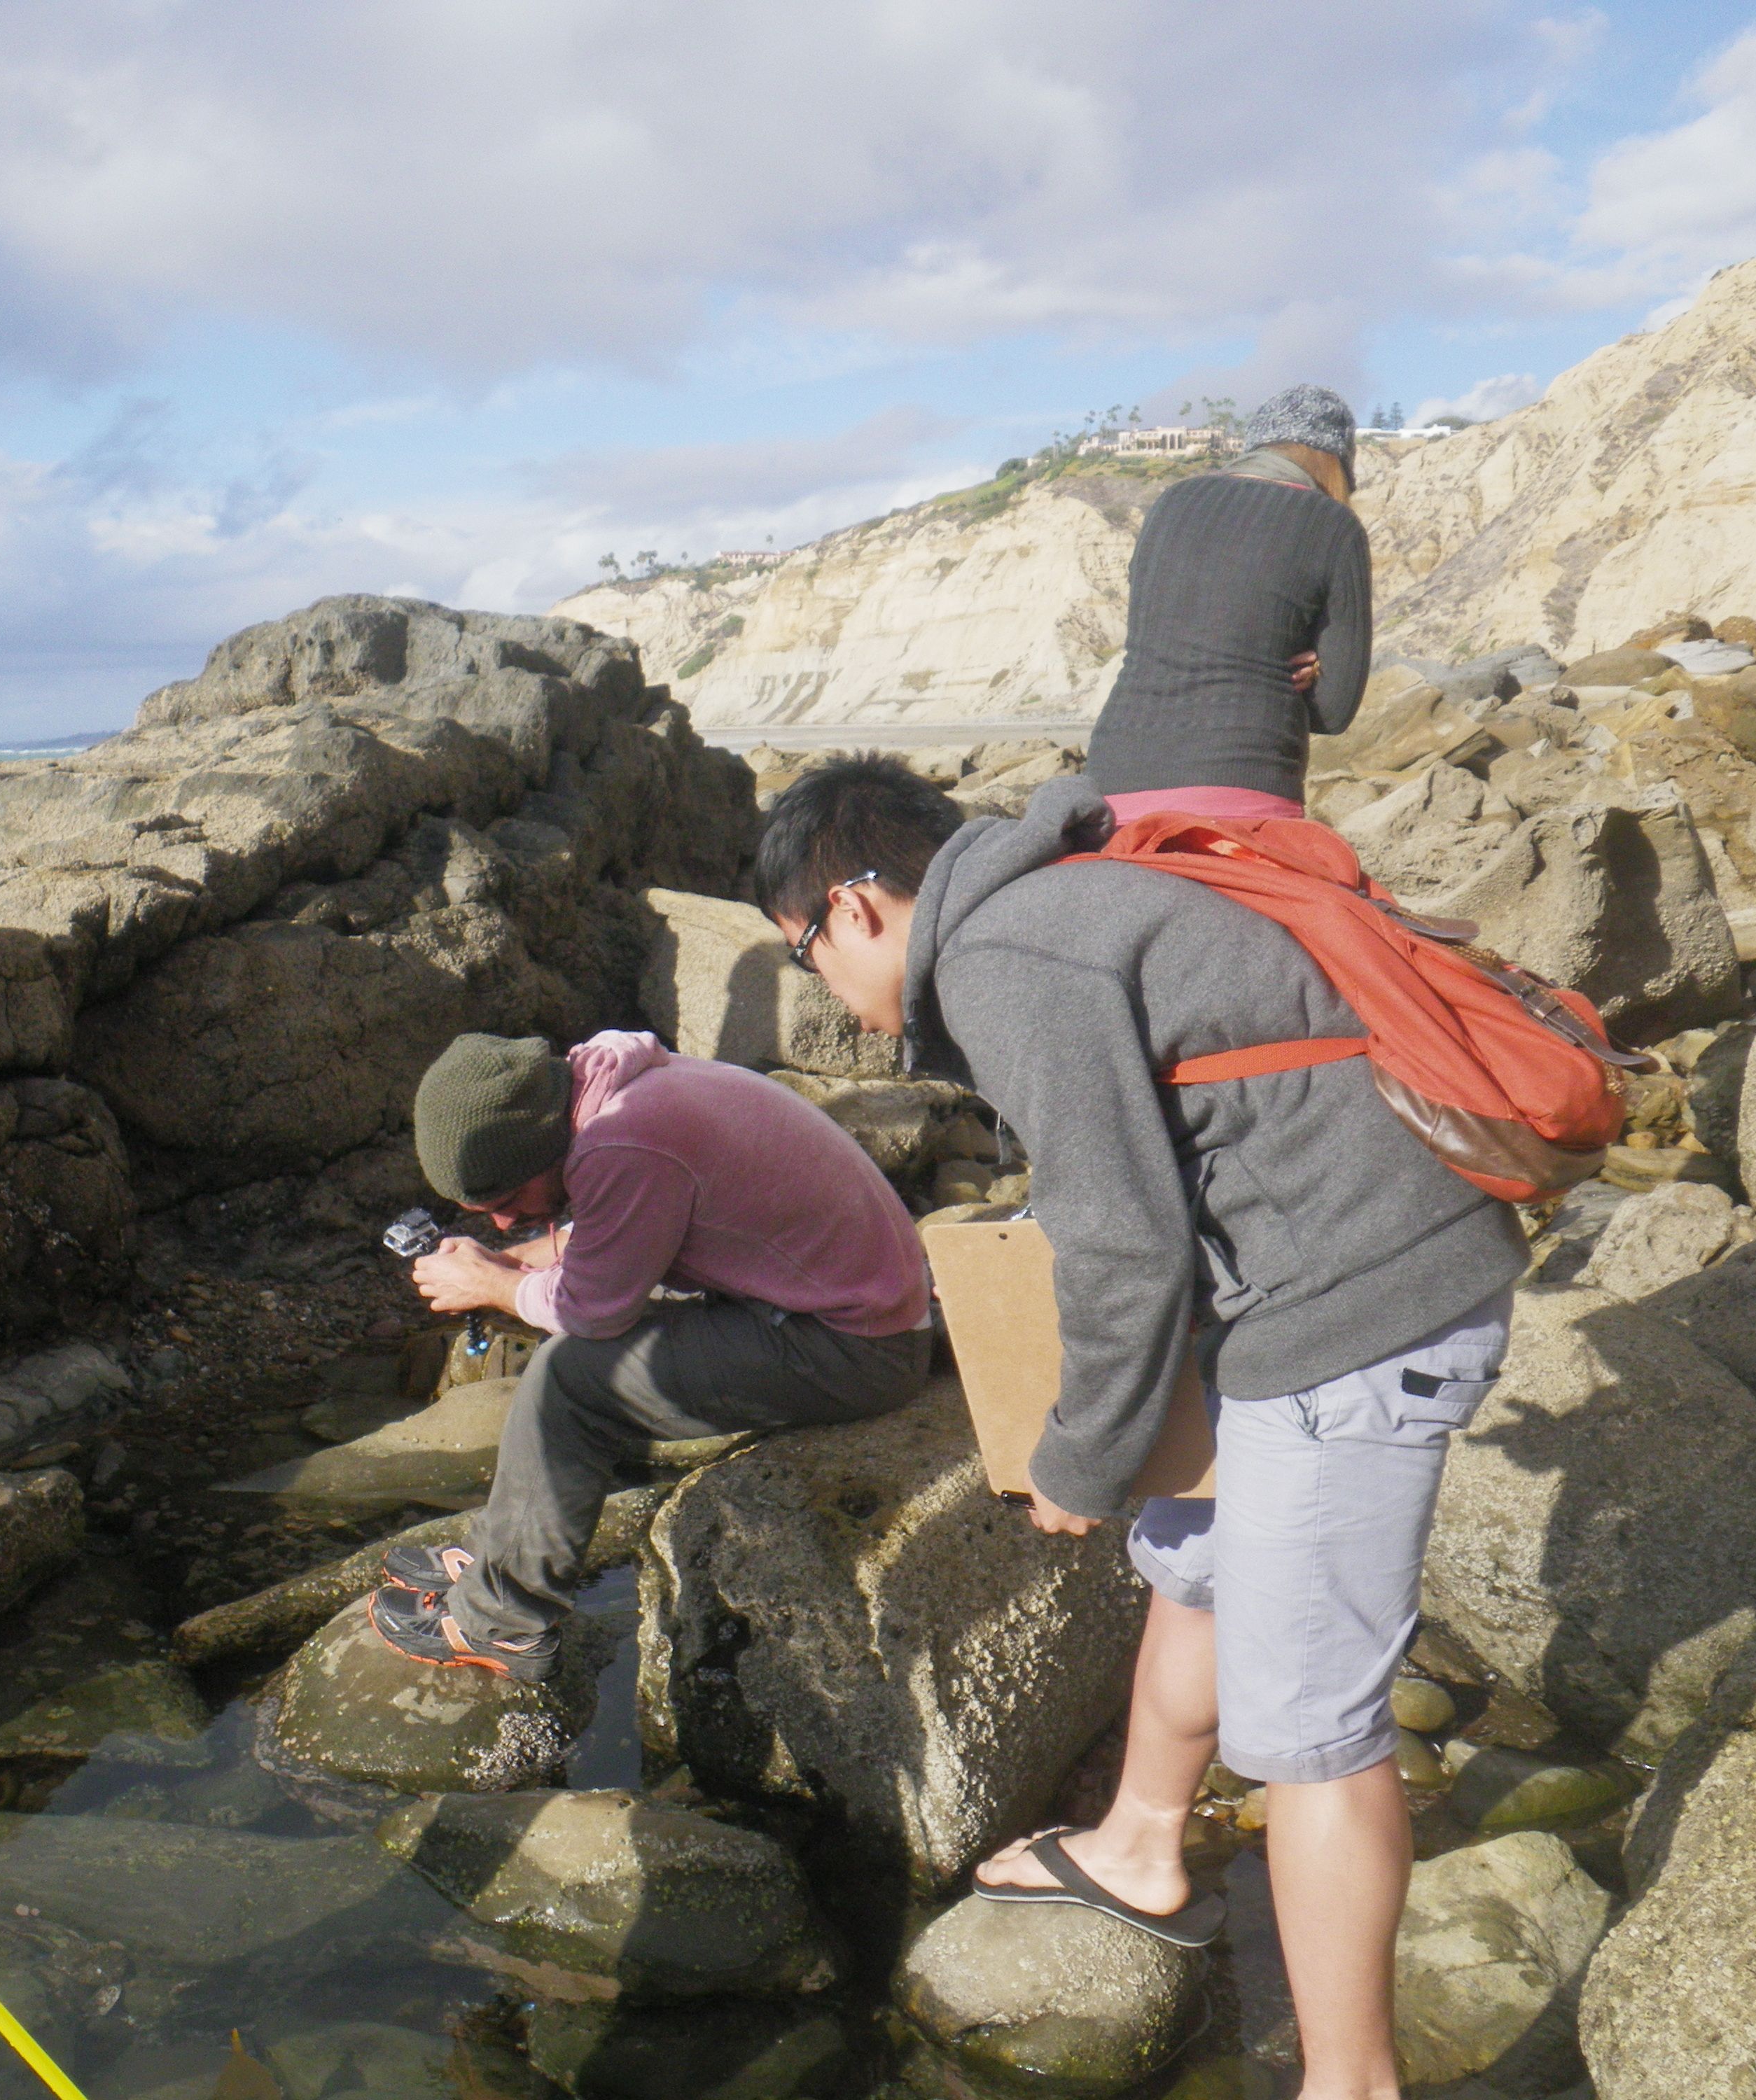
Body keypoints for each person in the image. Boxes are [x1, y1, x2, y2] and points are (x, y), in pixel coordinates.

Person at [754, 757, 1524, 2100]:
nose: (820, 987)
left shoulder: (1006, 955)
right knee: (1197, 1557)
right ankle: (1139, 1843)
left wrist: (1080, 1459)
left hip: (1362, 1305)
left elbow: (1124, 1245)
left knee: (1313, 1734)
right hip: (1304, 1283)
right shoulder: (1054, 898)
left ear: (856, 907)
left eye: (802, 953)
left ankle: (1351, 2082)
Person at [375, 1028, 936, 1679]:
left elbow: (592, 1310)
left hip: (857, 1350)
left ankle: (501, 1624)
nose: (504, 1224)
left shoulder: (625, 1143)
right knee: (575, 1358)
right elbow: (627, 1223)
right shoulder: (612, 1087)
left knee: (572, 1382)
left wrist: (494, 1285)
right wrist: (510, 1266)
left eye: (505, 1204)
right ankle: (500, 1561)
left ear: (543, 1147)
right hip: (838, 1308)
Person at [1082, 383, 1371, 821]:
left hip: (1113, 778)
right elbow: (1333, 713)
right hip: (1243, 784)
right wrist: (1296, 673)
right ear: (1337, 462)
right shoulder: (1333, 523)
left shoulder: (1171, 501)